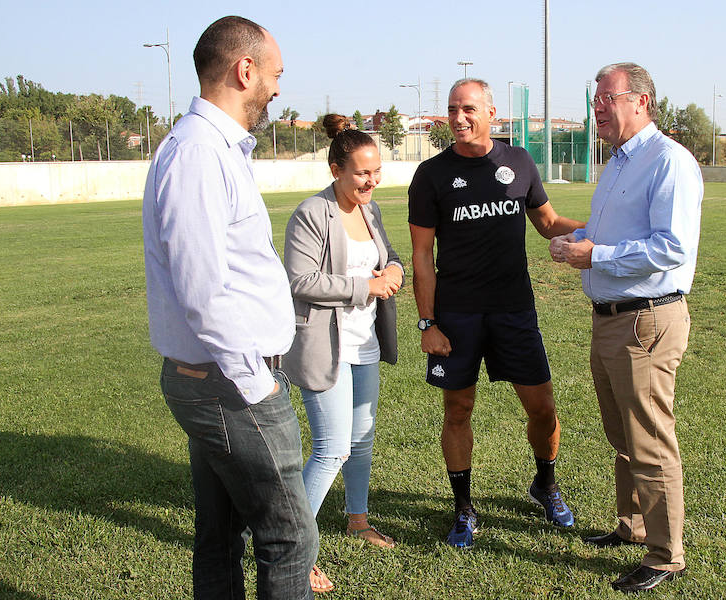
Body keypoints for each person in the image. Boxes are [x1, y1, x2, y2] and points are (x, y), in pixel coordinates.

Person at [142, 16, 318, 600]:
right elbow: (202, 290)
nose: (275, 87)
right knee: (290, 538)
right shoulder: (197, 153)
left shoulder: (214, 148)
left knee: (219, 536)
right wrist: (254, 383)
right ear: (246, 70)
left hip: (222, 378)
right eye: (274, 74)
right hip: (229, 382)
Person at [408, 78, 586, 548]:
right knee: (458, 408)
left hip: (514, 311)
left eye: (468, 108)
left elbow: (547, 224)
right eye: (451, 109)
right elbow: (422, 255)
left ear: (492, 114)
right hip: (457, 315)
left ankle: (545, 484)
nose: (458, 118)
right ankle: (463, 508)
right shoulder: (430, 175)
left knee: (543, 408)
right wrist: (428, 323)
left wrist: (601, 227)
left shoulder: (519, 162)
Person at [549, 62, 702, 593]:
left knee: (650, 438)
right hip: (611, 319)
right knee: (623, 435)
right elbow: (612, 231)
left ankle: (665, 555)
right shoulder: (617, 163)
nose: (597, 109)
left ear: (640, 101)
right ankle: (633, 528)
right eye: (595, 100)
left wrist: (598, 253)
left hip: (646, 320)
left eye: (606, 99)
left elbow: (671, 247)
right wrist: (579, 242)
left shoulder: (669, 162)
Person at [282, 114, 403, 592]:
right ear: (337, 170)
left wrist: (391, 269)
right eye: (361, 173)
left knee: (361, 442)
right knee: (331, 448)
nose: (371, 181)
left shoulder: (370, 211)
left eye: (376, 172)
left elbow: (386, 254)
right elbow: (301, 280)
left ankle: (357, 519)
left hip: (365, 345)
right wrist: (367, 286)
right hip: (323, 346)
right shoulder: (311, 214)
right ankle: (294, 551)